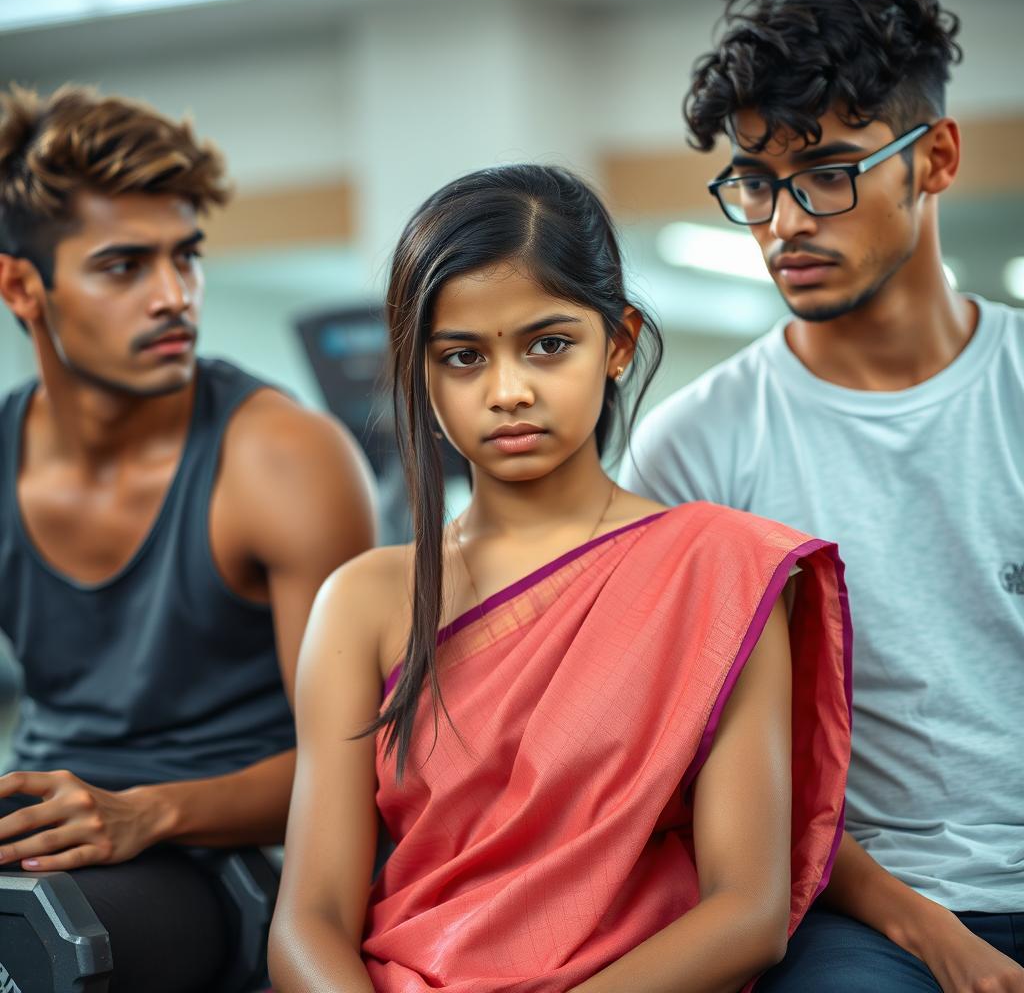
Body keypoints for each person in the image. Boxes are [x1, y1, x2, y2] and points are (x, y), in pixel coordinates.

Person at [268, 164, 852, 993]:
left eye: (549, 344)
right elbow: (309, 920)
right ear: (420, 376)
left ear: (616, 343)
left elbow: (746, 913)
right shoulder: (361, 601)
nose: (509, 392)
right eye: (463, 357)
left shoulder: (720, 570)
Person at [620, 0, 1024, 991]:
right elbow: (706, 769)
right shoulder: (690, 451)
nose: (782, 222)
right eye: (754, 179)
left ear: (933, 158)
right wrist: (931, 931)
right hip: (858, 903)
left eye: (830, 171)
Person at [0, 84, 376, 990]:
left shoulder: (283, 459)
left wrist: (147, 813)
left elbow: (363, 767)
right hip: (51, 825)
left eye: (186, 258)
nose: (175, 296)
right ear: (22, 287)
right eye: (125, 266)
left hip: (230, 855)